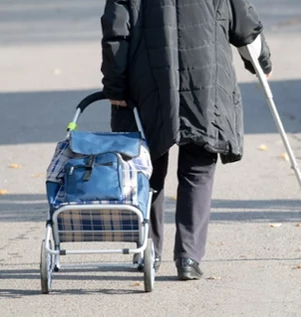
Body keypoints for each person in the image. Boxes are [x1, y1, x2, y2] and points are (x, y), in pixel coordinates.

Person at [100, 0, 272, 280]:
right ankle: (189, 257)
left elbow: (117, 31)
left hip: (149, 81)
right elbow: (245, 26)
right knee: (199, 168)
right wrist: (261, 62)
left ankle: (149, 252)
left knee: (147, 166)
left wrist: (115, 85)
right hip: (206, 78)